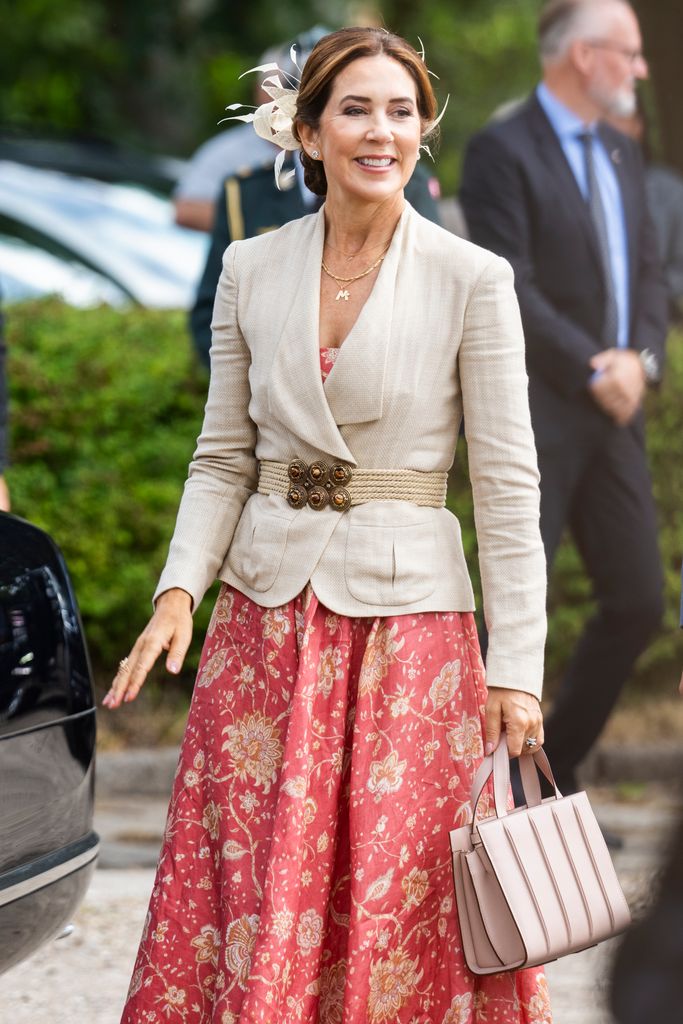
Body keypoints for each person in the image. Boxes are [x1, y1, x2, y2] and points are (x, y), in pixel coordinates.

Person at [105, 26, 550, 1023]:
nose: (380, 130)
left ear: (422, 132)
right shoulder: (248, 267)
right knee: (257, 890)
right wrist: (179, 589)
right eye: (354, 109)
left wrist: (515, 664)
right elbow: (222, 454)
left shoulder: (470, 278)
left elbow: (508, 488)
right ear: (306, 132)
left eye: (401, 111)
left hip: (410, 638)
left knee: (396, 901)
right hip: (260, 628)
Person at [460, 0, 668, 825]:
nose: (639, 68)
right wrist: (590, 364)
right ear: (584, 56)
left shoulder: (621, 149)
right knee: (516, 606)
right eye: (628, 52)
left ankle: (550, 770)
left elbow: (650, 275)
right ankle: (481, 801)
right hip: (537, 411)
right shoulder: (500, 150)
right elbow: (508, 280)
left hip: (617, 410)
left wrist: (638, 362)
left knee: (638, 600)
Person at [190, 156, 442, 367]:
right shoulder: (247, 191)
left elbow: (429, 313)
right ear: (306, 127)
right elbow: (213, 314)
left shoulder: (409, 186)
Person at [173, 28, 332, 232]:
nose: (278, 98)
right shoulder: (228, 151)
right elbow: (185, 209)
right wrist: (260, 225)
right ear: (256, 91)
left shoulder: (329, 152)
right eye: (270, 87)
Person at [605, 104, 683, 323]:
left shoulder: (668, 191)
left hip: (659, 321)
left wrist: (645, 294)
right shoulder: (574, 193)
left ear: (638, 126)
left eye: (618, 119)